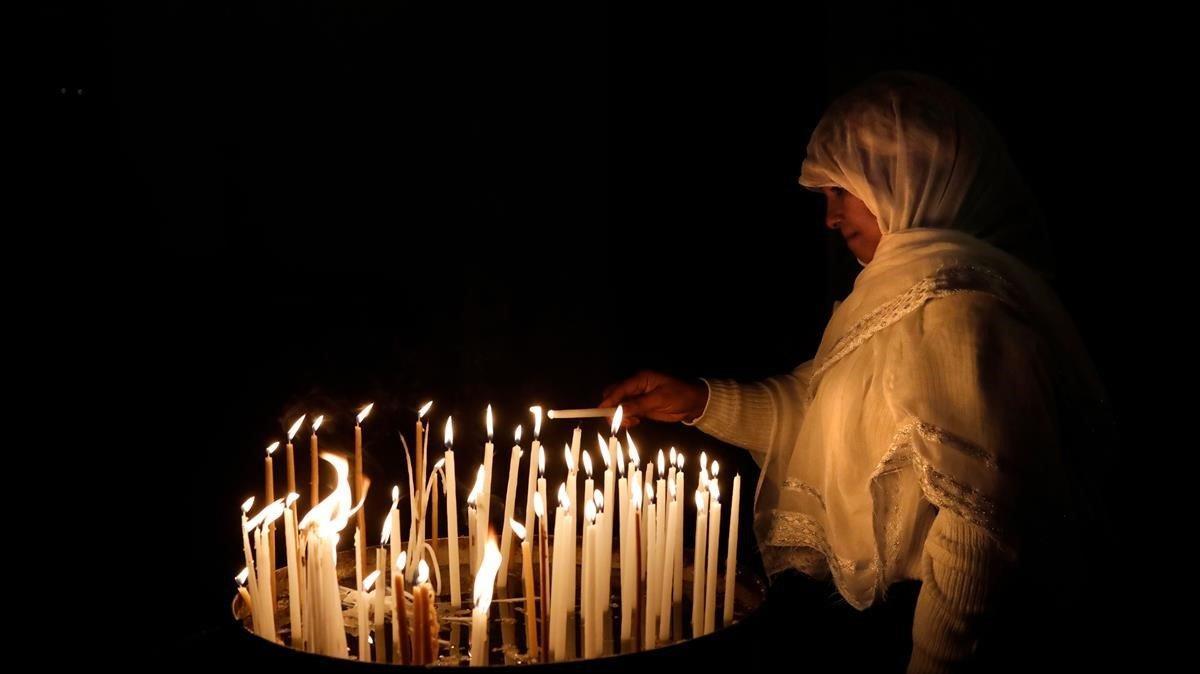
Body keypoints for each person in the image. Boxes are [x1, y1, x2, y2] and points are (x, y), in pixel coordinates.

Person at [600, 72, 1112, 673]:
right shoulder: (893, 295)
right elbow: (817, 414)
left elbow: (976, 526)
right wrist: (697, 403)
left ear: (904, 178)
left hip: (942, 639)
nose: (829, 218)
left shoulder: (962, 313)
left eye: (840, 193)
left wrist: (933, 663)